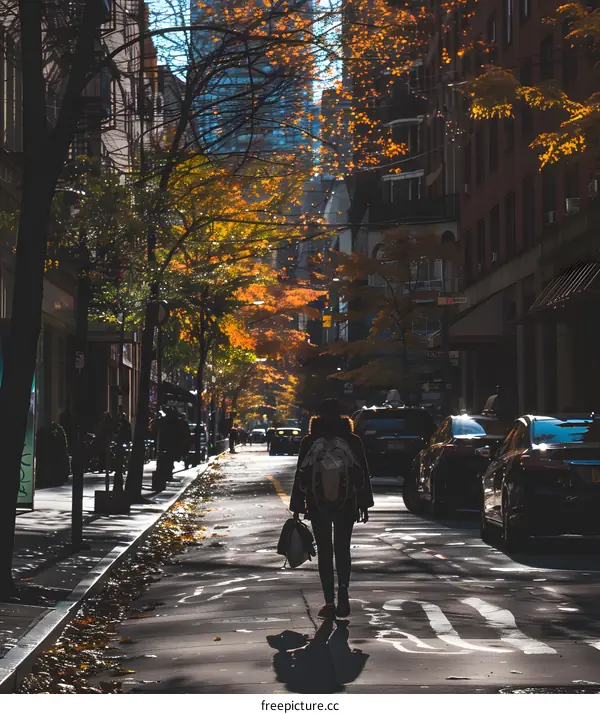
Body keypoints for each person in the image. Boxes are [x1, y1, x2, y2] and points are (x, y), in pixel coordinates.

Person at [289, 398, 373, 620]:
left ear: (318, 416)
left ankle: (329, 602)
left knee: (325, 551)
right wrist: (364, 503)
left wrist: (297, 505)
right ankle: (343, 590)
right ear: (343, 416)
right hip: (347, 502)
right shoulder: (352, 440)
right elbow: (362, 473)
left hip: (318, 504)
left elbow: (301, 474)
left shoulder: (310, 441)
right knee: (342, 548)